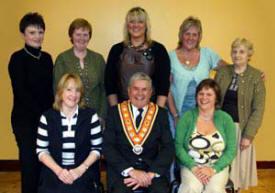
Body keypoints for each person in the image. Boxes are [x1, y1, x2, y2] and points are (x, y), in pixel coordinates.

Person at [103, 72, 174, 193]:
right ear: (129, 90)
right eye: (136, 89)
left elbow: (168, 147)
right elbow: (108, 147)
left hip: (151, 171)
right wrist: (131, 171)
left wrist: (150, 174)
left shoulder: (160, 114)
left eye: (144, 89)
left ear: (151, 92)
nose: (140, 94)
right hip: (123, 171)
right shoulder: (115, 112)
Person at [8, 12, 54, 193]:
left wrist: (51, 117)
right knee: (30, 165)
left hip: (46, 120)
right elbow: (21, 93)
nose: (37, 36)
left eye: (40, 32)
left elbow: (50, 91)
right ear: (23, 34)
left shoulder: (47, 58)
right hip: (25, 121)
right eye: (32, 32)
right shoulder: (17, 58)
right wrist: (42, 116)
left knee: (46, 164)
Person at [36, 74, 102, 193]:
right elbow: (41, 151)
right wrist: (59, 171)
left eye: (77, 90)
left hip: (83, 170)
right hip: (54, 170)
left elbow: (97, 149)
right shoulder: (47, 117)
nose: (74, 95)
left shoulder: (91, 116)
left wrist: (80, 170)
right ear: (60, 92)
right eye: (69, 89)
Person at [215, 38, 265, 192]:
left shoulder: (256, 77)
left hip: (240, 131)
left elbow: (259, 108)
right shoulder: (223, 72)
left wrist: (248, 135)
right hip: (220, 128)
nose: (237, 55)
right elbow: (213, 98)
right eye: (234, 51)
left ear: (249, 55)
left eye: (242, 52)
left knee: (236, 174)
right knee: (219, 172)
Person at [175, 79, 237, 193]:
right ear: (196, 96)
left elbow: (232, 150)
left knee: (215, 189)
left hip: (217, 166)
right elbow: (178, 146)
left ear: (216, 98)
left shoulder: (226, 119)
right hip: (191, 165)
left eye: (209, 94)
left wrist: (213, 169)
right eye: (201, 94)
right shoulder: (186, 118)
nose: (204, 98)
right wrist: (193, 167)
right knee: (191, 188)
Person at [104, 7, 170, 107]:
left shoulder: (159, 50)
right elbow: (110, 84)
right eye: (132, 21)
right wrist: (116, 111)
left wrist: (157, 113)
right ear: (127, 25)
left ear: (146, 25)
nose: (135, 25)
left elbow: (163, 85)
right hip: (121, 109)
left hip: (151, 109)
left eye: (140, 22)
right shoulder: (116, 50)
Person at [167, 16, 226, 126]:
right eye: (187, 34)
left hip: (203, 116)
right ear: (181, 35)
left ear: (199, 37)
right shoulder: (171, 57)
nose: (191, 38)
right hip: (176, 116)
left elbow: (229, 69)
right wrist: (175, 116)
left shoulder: (207, 54)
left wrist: (252, 74)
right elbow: (167, 89)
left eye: (195, 35)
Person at [54, 18, 107, 119]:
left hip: (95, 116)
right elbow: (57, 89)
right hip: (69, 116)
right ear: (71, 36)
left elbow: (104, 89)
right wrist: (63, 115)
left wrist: (102, 116)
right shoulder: (62, 59)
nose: (82, 38)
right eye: (78, 34)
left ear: (89, 37)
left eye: (85, 35)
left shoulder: (98, 59)